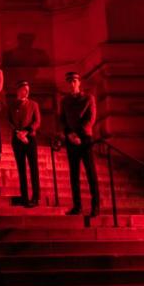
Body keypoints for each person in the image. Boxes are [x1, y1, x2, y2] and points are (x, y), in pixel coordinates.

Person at [58, 71, 99, 217]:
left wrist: (79, 134)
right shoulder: (65, 101)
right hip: (71, 139)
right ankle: (77, 206)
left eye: (74, 81)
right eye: (69, 82)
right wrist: (69, 134)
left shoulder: (88, 98)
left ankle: (95, 206)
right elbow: (62, 119)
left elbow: (91, 118)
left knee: (90, 173)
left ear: (79, 82)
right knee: (73, 175)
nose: (72, 84)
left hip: (85, 139)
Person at [8, 80, 41, 208]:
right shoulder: (12, 105)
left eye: (28, 89)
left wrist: (26, 132)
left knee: (33, 168)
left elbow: (37, 121)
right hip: (17, 139)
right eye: (24, 89)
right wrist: (18, 133)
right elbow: (9, 120)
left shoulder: (33, 105)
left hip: (30, 139)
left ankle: (36, 197)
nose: (26, 92)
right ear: (19, 91)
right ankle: (24, 197)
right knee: (21, 169)